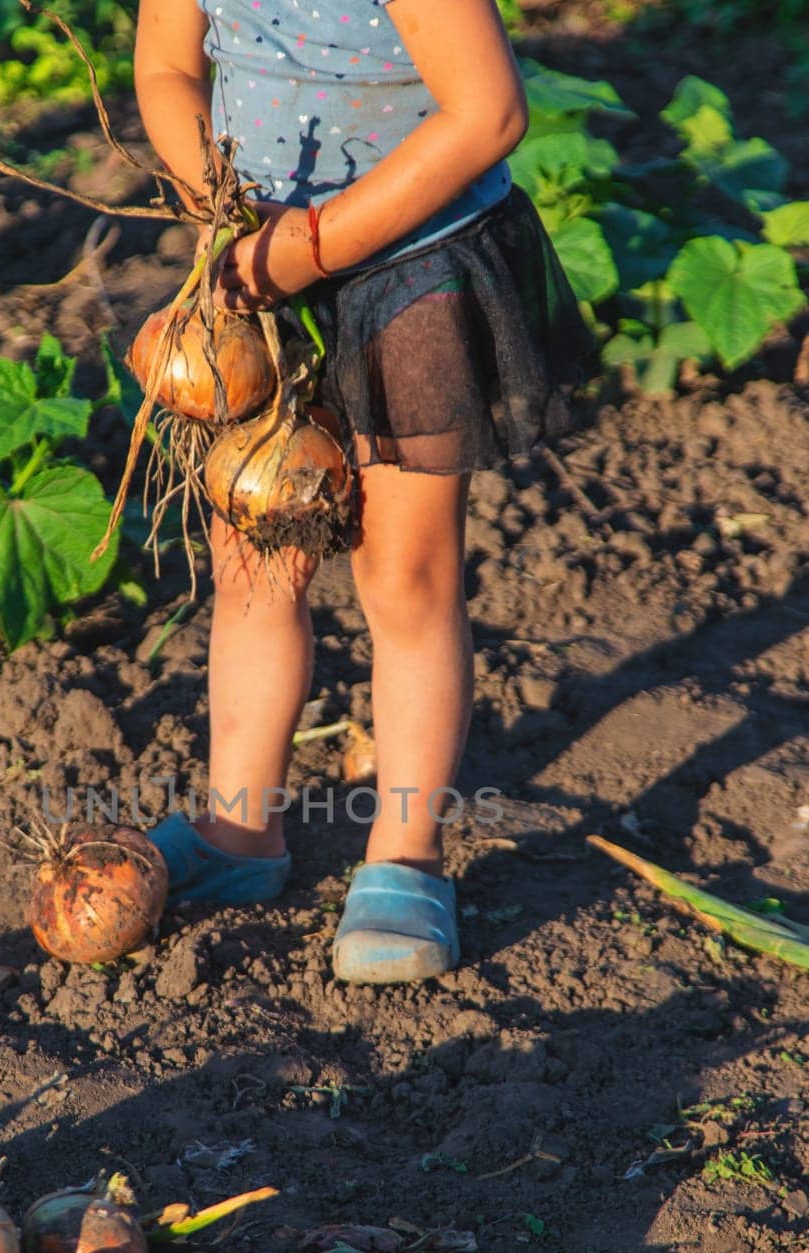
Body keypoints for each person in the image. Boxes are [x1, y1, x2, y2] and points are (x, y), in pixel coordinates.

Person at [134, 0, 592, 984]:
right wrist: (218, 209)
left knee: (406, 581)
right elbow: (167, 67)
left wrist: (306, 249)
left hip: (411, 272)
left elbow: (487, 114)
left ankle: (404, 855)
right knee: (255, 559)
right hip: (253, 269)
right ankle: (236, 830)